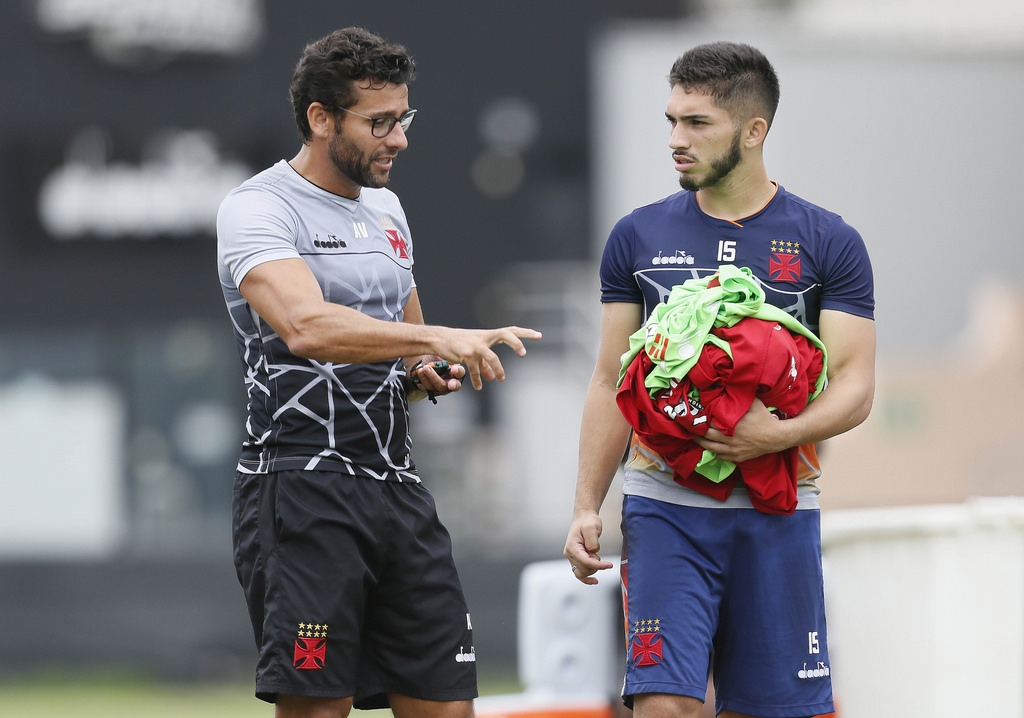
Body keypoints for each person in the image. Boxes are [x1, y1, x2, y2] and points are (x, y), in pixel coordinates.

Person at [217, 27, 541, 718]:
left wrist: (428, 367)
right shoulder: (257, 207)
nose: (399, 139)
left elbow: (405, 345)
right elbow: (305, 328)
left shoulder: (388, 209)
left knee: (447, 705)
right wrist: (439, 334)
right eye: (380, 122)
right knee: (318, 707)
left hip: (396, 488)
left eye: (404, 119)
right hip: (300, 488)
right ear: (321, 118)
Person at [563, 41, 875, 718]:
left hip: (779, 513)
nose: (677, 139)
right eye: (672, 120)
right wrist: (587, 504)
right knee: (663, 705)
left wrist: (778, 435)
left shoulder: (829, 241)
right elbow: (607, 380)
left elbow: (856, 386)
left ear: (753, 130)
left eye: (697, 123)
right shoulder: (636, 236)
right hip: (662, 509)